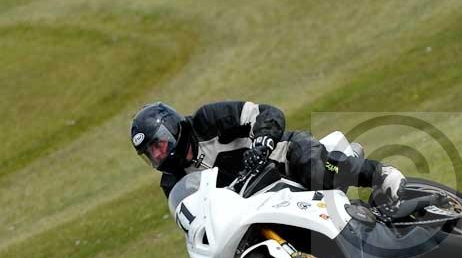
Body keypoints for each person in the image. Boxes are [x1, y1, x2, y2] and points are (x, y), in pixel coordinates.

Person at [130, 101, 405, 204]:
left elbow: (266, 113)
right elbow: (192, 218)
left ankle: (380, 175)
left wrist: (262, 143)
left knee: (318, 172)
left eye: (158, 144)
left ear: (172, 129)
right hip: (254, 203)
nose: (157, 154)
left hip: (283, 157)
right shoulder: (173, 182)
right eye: (150, 153)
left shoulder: (206, 120)